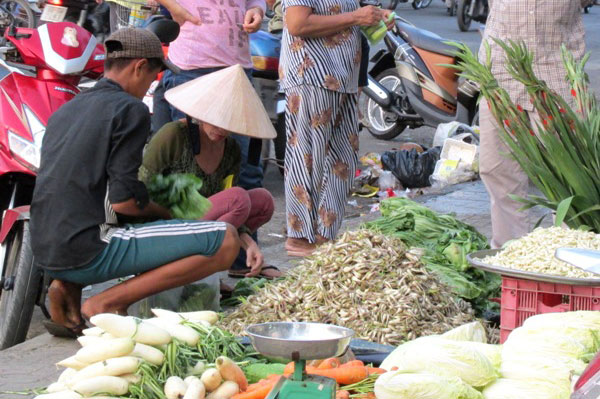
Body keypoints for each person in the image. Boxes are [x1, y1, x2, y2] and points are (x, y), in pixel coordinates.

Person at [30, 28, 240, 336]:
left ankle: (67, 284)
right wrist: (167, 214)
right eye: (153, 76)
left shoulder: (67, 109)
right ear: (139, 66)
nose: (150, 85)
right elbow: (123, 200)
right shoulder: (130, 109)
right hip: (88, 247)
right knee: (226, 239)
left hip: (47, 249)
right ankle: (105, 303)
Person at [139, 65, 282, 279]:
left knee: (262, 200)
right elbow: (141, 187)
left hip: (202, 224)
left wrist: (248, 241)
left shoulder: (231, 149)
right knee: (238, 198)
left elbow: (231, 206)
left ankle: (207, 272)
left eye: (229, 123)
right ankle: (186, 270)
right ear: (202, 112)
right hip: (165, 225)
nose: (221, 129)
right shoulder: (173, 135)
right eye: (216, 119)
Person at [280, 0, 393, 257]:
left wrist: (375, 15)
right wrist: (355, 17)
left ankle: (323, 235)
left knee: (343, 160)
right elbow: (298, 23)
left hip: (345, 77)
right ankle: (300, 236)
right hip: (311, 75)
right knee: (308, 157)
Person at [479, 0, 593, 248]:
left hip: (557, 77)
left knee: (571, 177)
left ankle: (568, 262)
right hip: (500, 75)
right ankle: (510, 255)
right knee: (499, 171)